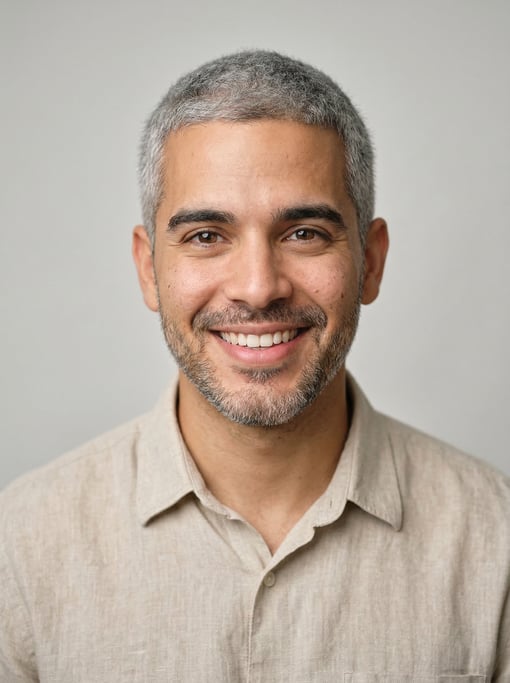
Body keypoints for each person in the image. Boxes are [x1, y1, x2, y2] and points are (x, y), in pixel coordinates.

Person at [1, 50, 509, 682]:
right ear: (148, 268)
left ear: (371, 262)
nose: (258, 287)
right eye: (207, 236)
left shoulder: (498, 543)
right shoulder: (19, 549)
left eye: (304, 233)